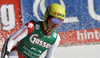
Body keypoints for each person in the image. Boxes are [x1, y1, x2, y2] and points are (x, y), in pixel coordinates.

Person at [1, 3, 65, 58]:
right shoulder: (31, 27)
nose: (56, 25)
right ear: (47, 17)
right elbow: (11, 40)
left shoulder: (56, 38)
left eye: (60, 22)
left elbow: (49, 57)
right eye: (54, 20)